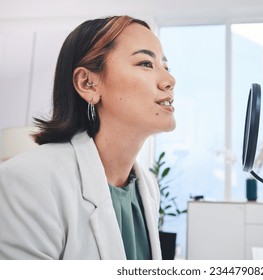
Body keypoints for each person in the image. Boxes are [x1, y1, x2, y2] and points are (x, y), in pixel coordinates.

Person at [0, 15, 176, 260]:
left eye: (166, 67)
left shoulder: (148, 186)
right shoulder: (27, 180)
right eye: (146, 63)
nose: (169, 80)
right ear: (88, 83)